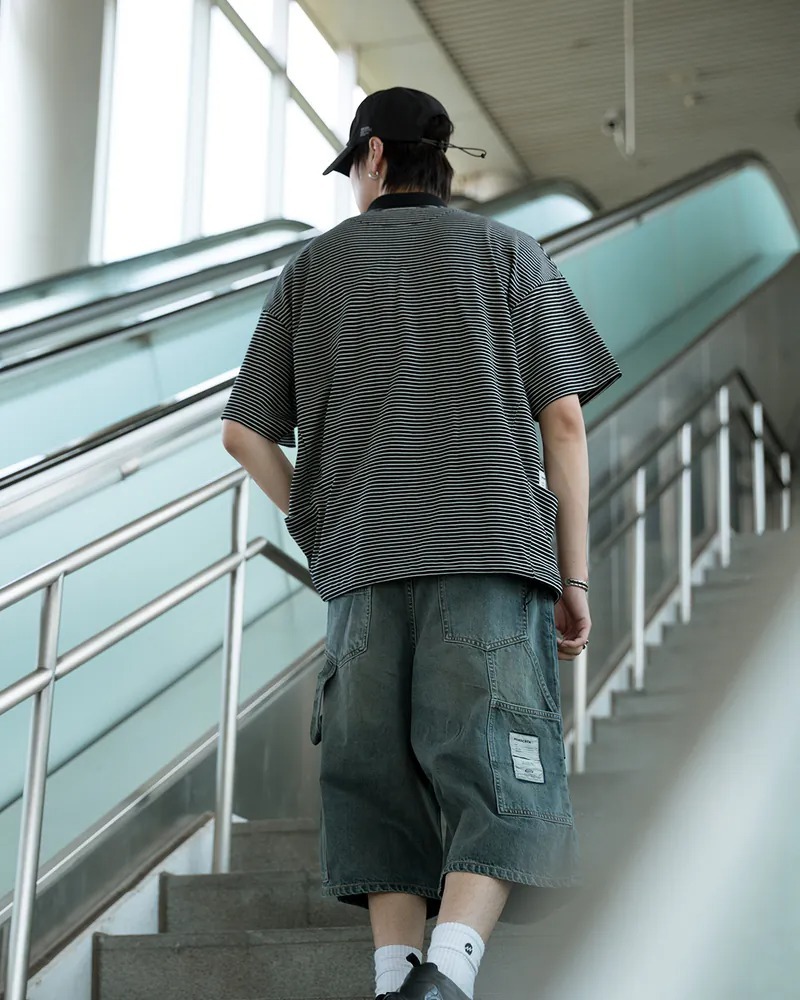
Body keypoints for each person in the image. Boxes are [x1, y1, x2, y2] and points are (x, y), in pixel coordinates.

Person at [222, 87, 620, 1000]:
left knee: (375, 783)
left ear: (372, 157)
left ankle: (394, 975)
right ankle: (450, 971)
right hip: (491, 554)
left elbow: (244, 431)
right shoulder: (511, 253)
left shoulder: (313, 269)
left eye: (352, 169)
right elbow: (563, 419)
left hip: (363, 566)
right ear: (441, 164)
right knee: (498, 766)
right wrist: (573, 577)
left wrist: (319, 523)